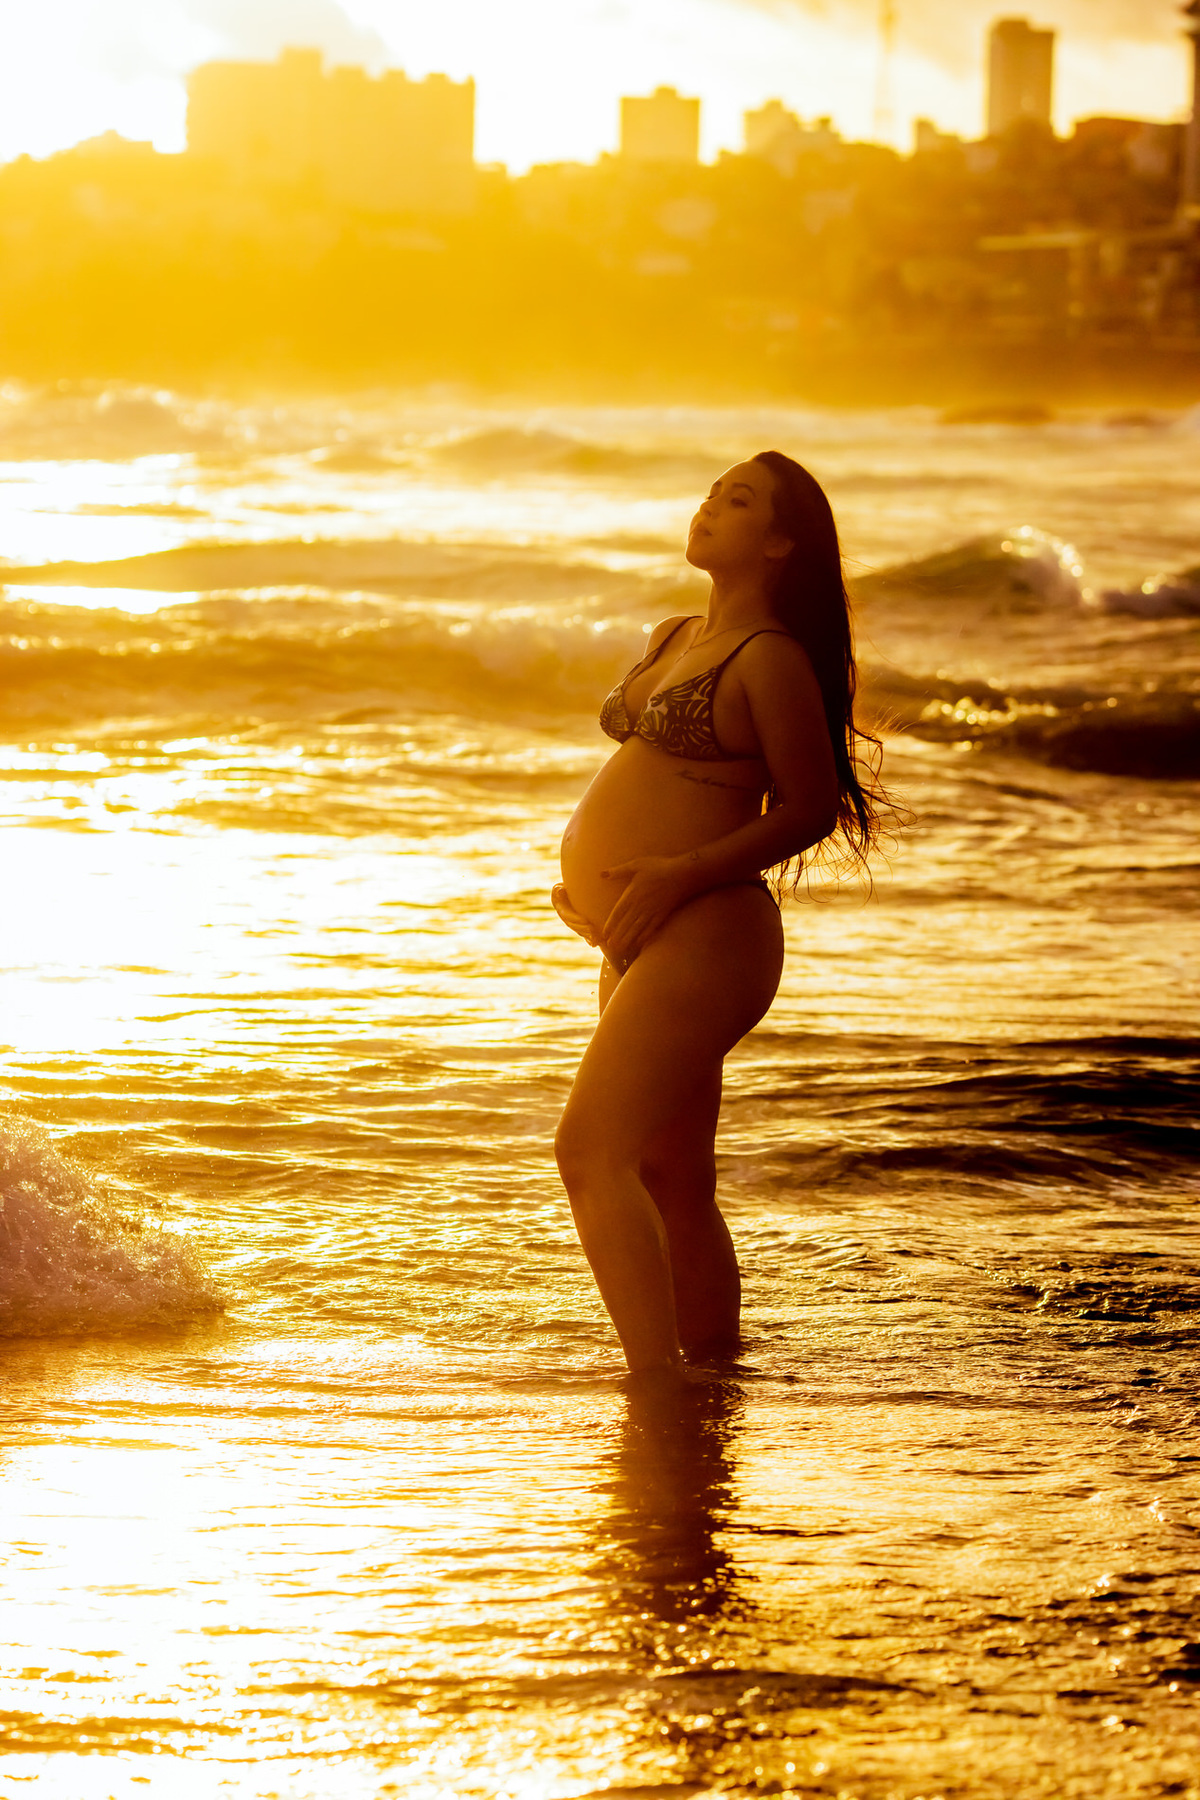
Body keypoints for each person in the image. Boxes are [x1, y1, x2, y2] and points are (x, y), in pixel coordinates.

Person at [552, 450, 891, 1378]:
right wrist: (597, 890)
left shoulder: (770, 657)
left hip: (712, 931)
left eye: (737, 501)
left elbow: (811, 807)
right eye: (710, 492)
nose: (708, 508)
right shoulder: (674, 636)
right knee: (671, 1178)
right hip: (641, 935)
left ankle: (653, 1393)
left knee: (587, 1153)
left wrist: (671, 877)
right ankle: (709, 1383)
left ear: (780, 542)